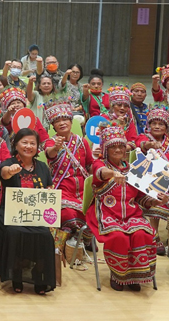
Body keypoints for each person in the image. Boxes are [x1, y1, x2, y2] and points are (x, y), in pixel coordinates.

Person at [86, 122, 166, 291]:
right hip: (106, 213)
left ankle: (135, 276)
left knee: (142, 234)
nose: (118, 150)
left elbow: (142, 198)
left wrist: (158, 200)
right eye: (113, 147)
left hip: (131, 214)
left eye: (121, 147)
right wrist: (113, 173)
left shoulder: (133, 170)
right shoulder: (100, 164)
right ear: (105, 149)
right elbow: (100, 173)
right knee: (119, 237)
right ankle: (118, 275)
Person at [0, 128, 56, 295]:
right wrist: (11, 171)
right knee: (14, 232)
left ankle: (39, 274)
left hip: (35, 215)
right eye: (24, 142)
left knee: (45, 235)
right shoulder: (8, 163)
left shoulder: (42, 167)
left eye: (32, 143)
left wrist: (50, 192)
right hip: (11, 214)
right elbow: (4, 174)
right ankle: (16, 273)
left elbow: (48, 188)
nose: (28, 146)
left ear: (37, 147)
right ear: (16, 144)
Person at [135, 104, 169, 255]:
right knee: (155, 196)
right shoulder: (144, 138)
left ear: (166, 127)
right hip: (149, 179)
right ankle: (155, 234)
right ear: (149, 125)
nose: (157, 126)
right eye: (154, 123)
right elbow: (140, 146)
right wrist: (150, 145)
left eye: (161, 124)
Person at [44, 98, 93, 236]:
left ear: (71, 122)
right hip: (61, 188)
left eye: (65, 119)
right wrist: (56, 147)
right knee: (68, 213)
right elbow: (49, 153)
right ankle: (70, 239)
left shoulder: (82, 142)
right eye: (57, 121)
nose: (62, 123)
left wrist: (103, 167)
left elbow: (90, 165)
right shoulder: (50, 142)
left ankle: (82, 239)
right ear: (53, 126)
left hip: (82, 190)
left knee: (92, 211)